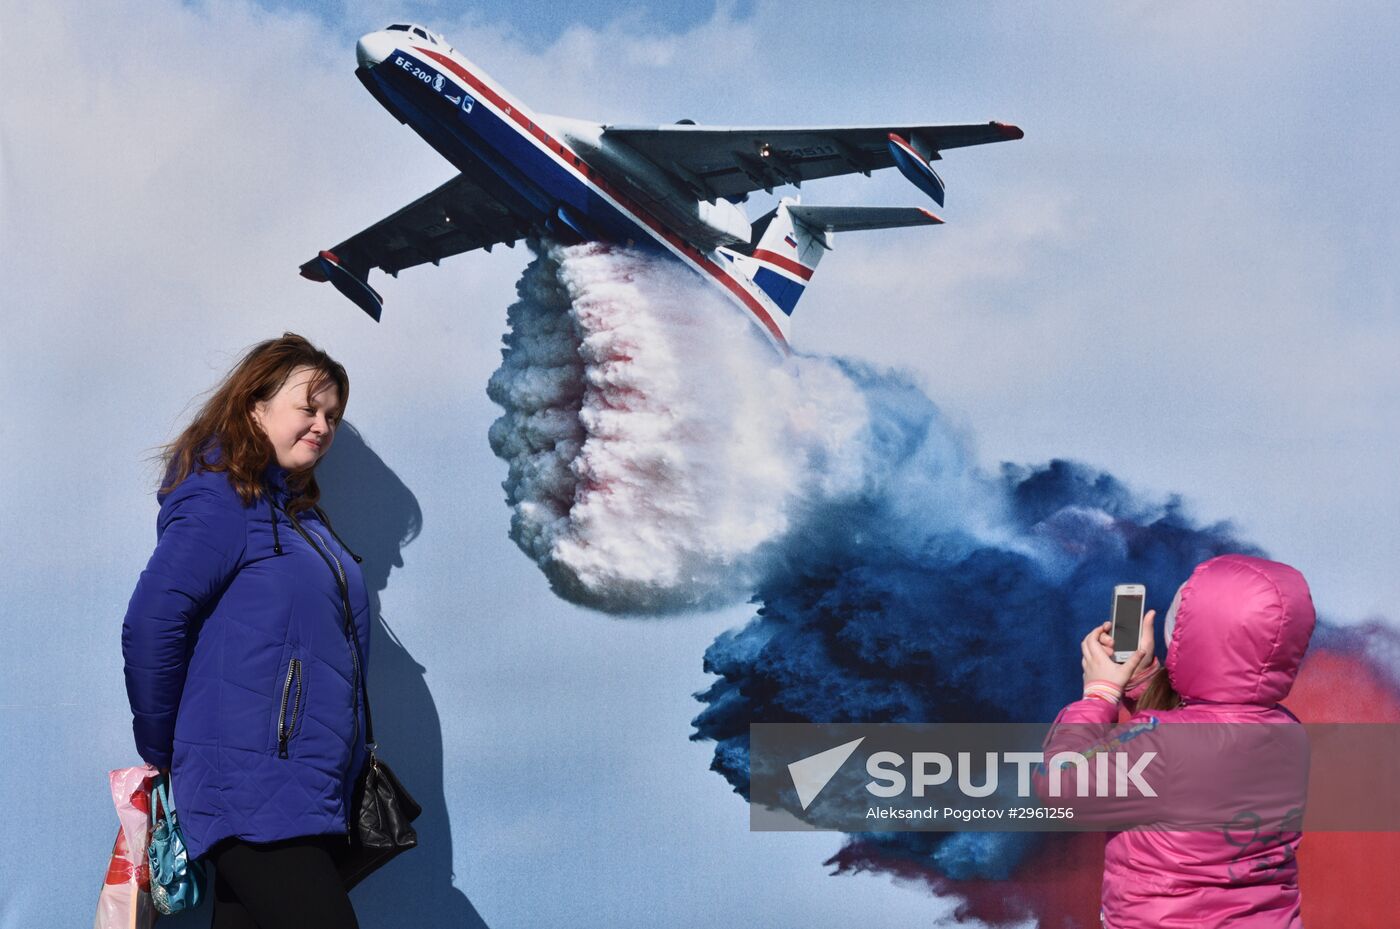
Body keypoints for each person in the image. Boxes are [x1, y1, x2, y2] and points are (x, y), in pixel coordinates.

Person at [121, 333, 372, 929]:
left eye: (332, 416)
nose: (322, 426)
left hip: (304, 787)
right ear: (255, 407)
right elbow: (153, 620)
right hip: (251, 785)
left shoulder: (301, 519)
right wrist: (162, 750)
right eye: (308, 408)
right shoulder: (223, 498)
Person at [1040, 554, 1316, 928]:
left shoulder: (1164, 745)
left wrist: (1099, 695)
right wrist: (1144, 682)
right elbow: (1194, 756)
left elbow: (1061, 783)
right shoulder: (1289, 733)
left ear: (1194, 638)